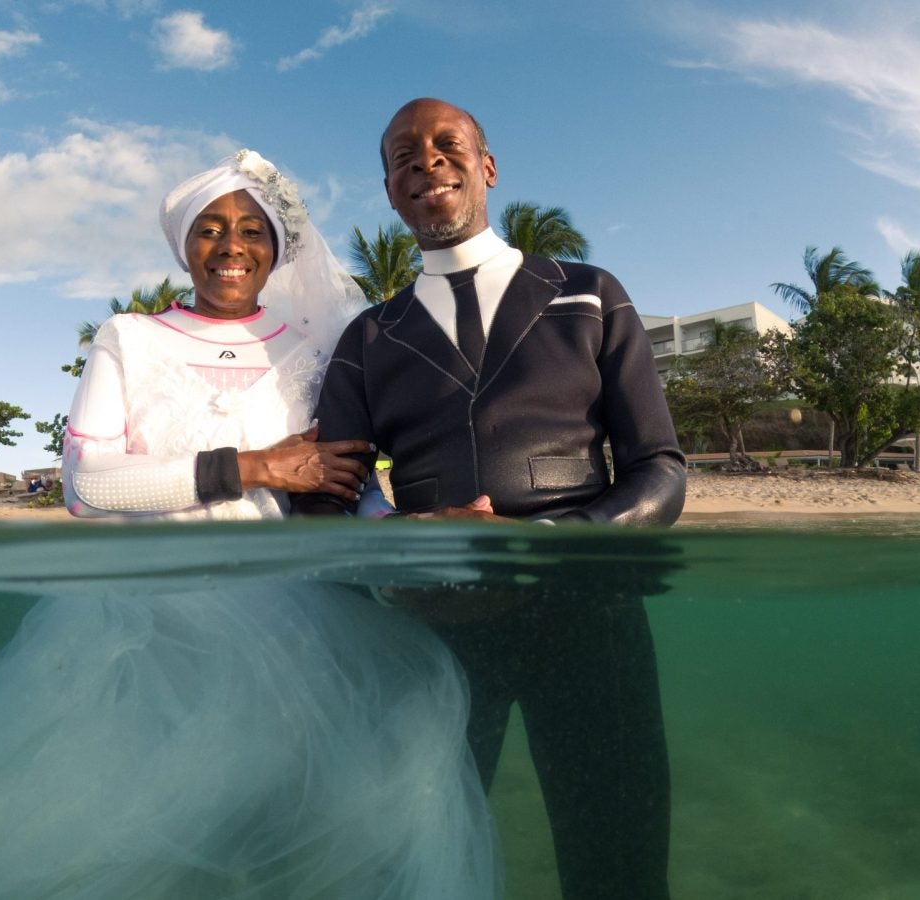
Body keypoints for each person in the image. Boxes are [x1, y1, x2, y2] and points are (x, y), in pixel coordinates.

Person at [0, 151, 498, 898]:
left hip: (302, 637)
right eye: (209, 229)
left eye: (251, 229)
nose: (231, 245)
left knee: (289, 844)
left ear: (276, 248)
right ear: (184, 247)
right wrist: (254, 466)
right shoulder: (128, 338)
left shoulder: (320, 352)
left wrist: (417, 524)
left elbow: (343, 489)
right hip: (143, 636)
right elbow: (86, 487)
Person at [292, 99, 687, 900]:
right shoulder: (368, 340)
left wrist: (550, 544)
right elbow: (322, 504)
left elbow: (661, 471)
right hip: (434, 637)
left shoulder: (588, 295)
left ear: (488, 167)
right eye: (404, 155)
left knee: (619, 860)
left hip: (590, 619)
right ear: (391, 192)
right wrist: (396, 552)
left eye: (447, 145)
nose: (427, 160)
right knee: (423, 872)